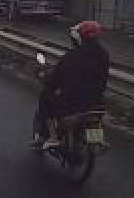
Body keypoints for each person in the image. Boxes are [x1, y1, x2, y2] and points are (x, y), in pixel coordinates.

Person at [31, 20, 110, 150]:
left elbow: (55, 78)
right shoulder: (104, 54)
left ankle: (52, 137)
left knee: (45, 99)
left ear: (80, 37)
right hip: (97, 100)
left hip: (72, 102)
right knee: (94, 117)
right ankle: (96, 139)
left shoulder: (72, 56)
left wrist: (48, 82)